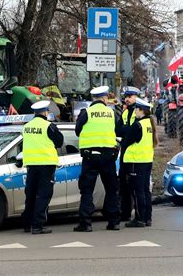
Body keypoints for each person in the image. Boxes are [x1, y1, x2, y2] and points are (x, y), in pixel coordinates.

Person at [74, 86, 120, 232]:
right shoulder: (112, 113)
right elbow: (117, 130)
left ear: (93, 99)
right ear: (105, 98)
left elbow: (77, 131)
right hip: (108, 156)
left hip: (90, 156)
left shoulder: (86, 112)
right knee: (111, 189)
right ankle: (114, 222)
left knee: (87, 190)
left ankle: (86, 223)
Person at [22, 100, 64, 234]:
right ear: (46, 112)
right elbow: (59, 141)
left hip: (31, 165)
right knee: (43, 195)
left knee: (31, 194)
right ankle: (38, 225)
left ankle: (27, 224)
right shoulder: (48, 126)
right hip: (46, 165)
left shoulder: (26, 126)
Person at [122, 98, 157, 227]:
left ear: (141, 110)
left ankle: (139, 218)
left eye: (136, 109)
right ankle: (148, 217)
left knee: (137, 191)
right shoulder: (149, 124)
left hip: (135, 161)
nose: (135, 111)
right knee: (145, 190)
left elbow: (127, 141)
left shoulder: (138, 125)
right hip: (146, 160)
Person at [116, 86, 140, 221]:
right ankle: (125, 213)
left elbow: (133, 132)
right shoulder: (125, 113)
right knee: (124, 185)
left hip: (136, 154)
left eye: (130, 96)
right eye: (126, 97)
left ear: (137, 97)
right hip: (125, 152)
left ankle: (139, 214)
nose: (127, 99)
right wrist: (126, 130)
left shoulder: (139, 112)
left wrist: (126, 130)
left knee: (135, 186)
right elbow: (118, 130)